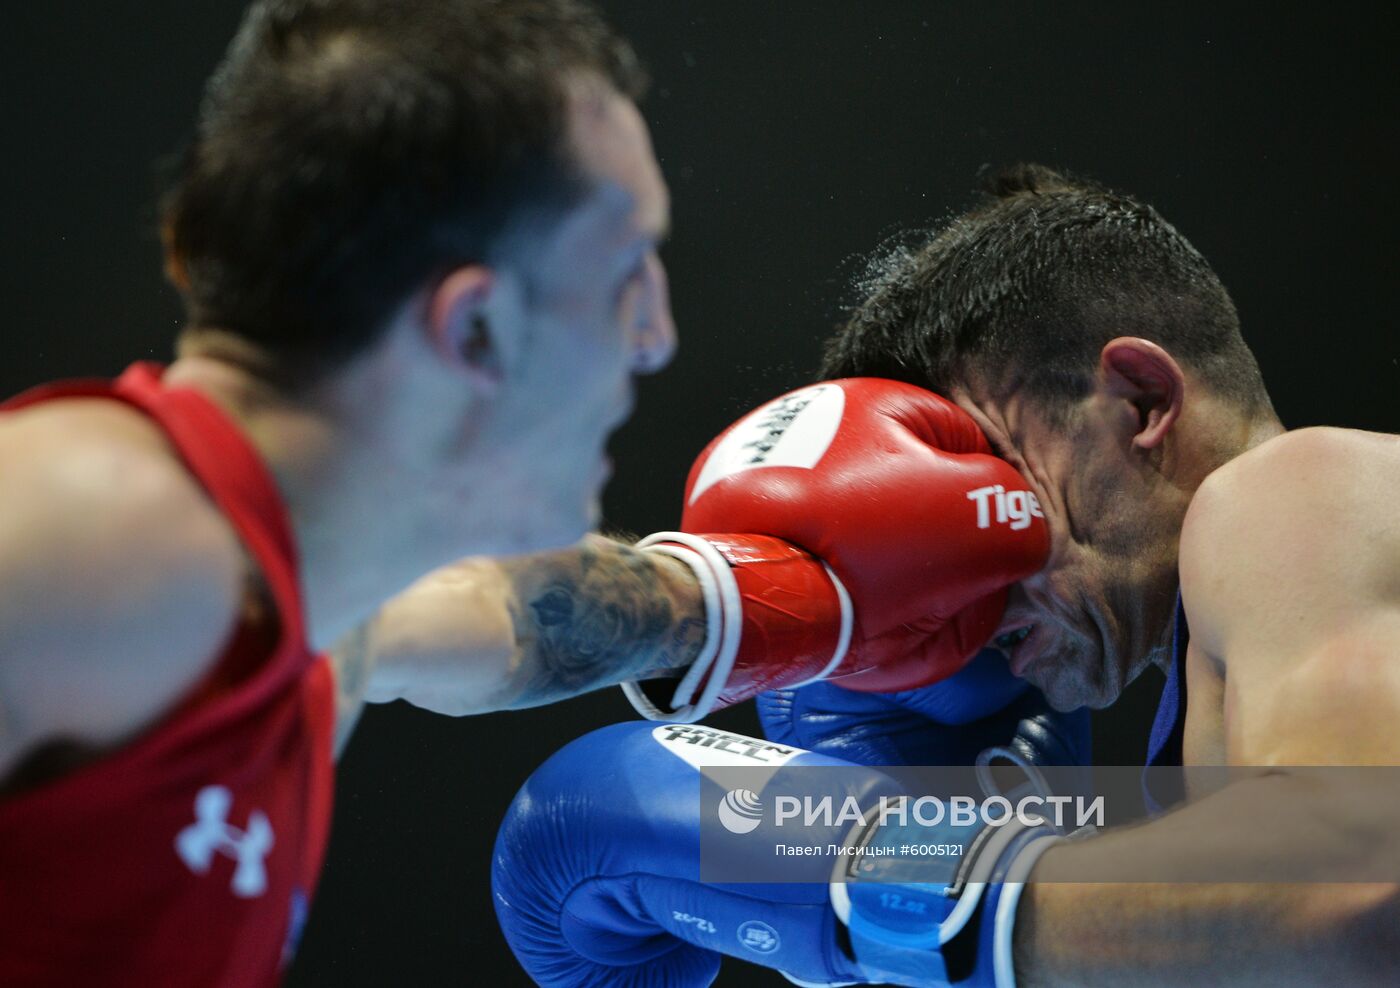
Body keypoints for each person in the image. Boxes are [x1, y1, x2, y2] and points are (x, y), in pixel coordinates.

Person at [492, 165, 1400, 985]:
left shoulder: (1292, 491)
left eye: (988, 481)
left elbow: (1351, 887)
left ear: (1141, 402)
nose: (968, 595)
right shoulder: (1235, 688)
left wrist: (886, 876)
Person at [0, 1, 682, 984]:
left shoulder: (317, 610)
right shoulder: (85, 529)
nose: (655, 336)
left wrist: (792, 606)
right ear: (477, 329)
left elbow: (512, 615)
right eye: (627, 270)